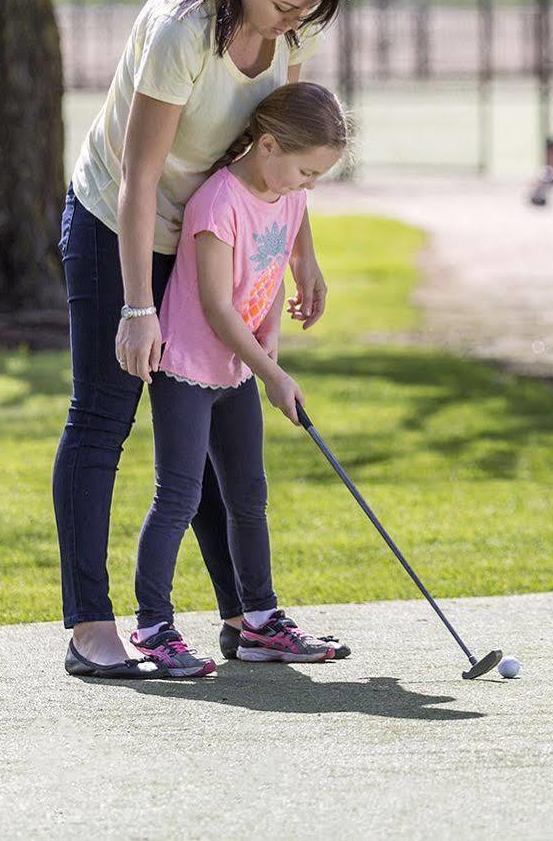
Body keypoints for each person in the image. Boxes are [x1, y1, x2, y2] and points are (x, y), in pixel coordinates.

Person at [53, 0, 345, 679]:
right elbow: (141, 173)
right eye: (282, 3)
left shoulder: (285, 32)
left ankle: (247, 620)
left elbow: (280, 152)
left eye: (306, 9)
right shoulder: (185, 29)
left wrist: (301, 257)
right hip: (119, 225)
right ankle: (91, 627)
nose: (292, 21)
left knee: (209, 409)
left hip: (200, 233)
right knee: (102, 419)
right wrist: (137, 307)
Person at [130, 83, 351, 675]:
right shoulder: (218, 202)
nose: (306, 185)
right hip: (187, 367)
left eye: (315, 178)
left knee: (248, 497)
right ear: (269, 144)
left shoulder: (287, 198)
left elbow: (270, 274)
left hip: (237, 367)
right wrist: (271, 372)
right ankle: (153, 627)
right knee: (178, 496)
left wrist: (271, 339)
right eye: (304, 171)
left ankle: (259, 623)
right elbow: (216, 306)